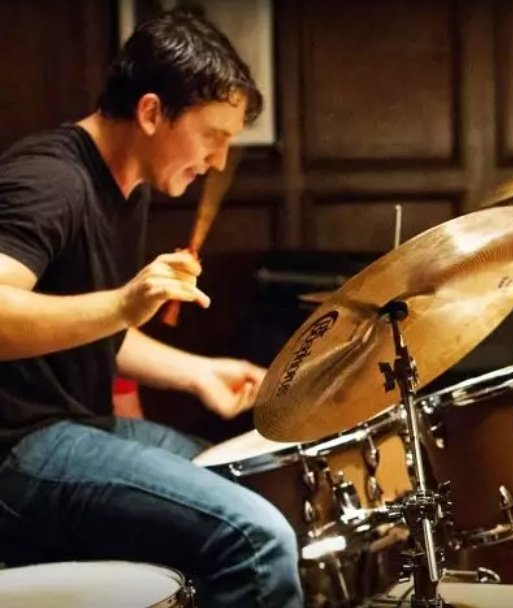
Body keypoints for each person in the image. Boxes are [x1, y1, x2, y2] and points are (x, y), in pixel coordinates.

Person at [0, 10, 302, 607]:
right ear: (151, 112)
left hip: (72, 427)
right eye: (213, 136)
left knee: (245, 480)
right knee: (257, 539)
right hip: (16, 451)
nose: (219, 161)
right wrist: (124, 302)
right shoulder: (50, 180)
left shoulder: (126, 186)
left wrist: (198, 372)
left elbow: (90, 325)